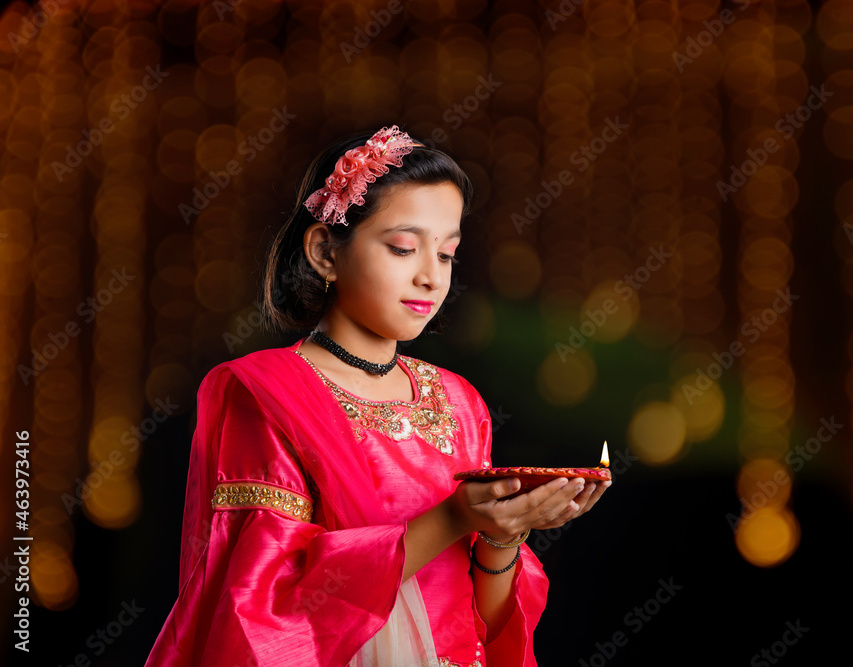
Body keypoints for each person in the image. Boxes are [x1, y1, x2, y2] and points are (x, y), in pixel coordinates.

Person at [145, 125, 611, 667]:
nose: (430, 278)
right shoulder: (262, 392)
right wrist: (453, 520)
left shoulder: (460, 402)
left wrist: (504, 534)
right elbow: (265, 608)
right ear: (324, 251)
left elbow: (481, 624)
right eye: (403, 248)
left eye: (447, 255)